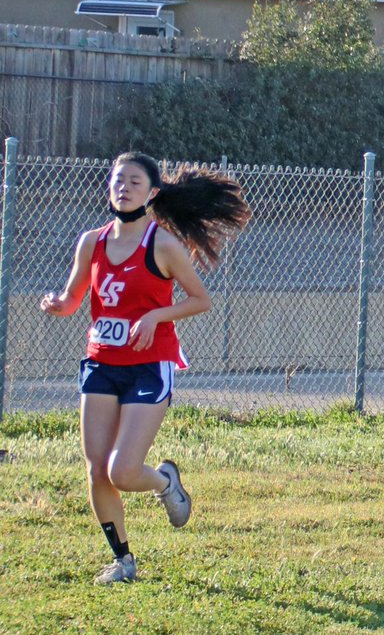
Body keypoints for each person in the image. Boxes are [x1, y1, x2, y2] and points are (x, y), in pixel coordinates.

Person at [40, 152, 250, 584]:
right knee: (98, 470)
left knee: (123, 470)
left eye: (134, 181)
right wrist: (59, 305)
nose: (123, 187)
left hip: (149, 367)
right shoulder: (91, 242)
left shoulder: (163, 244)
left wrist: (155, 317)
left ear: (152, 193)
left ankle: (165, 483)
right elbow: (74, 297)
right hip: (101, 364)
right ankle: (123, 560)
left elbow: (200, 300)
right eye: (118, 180)